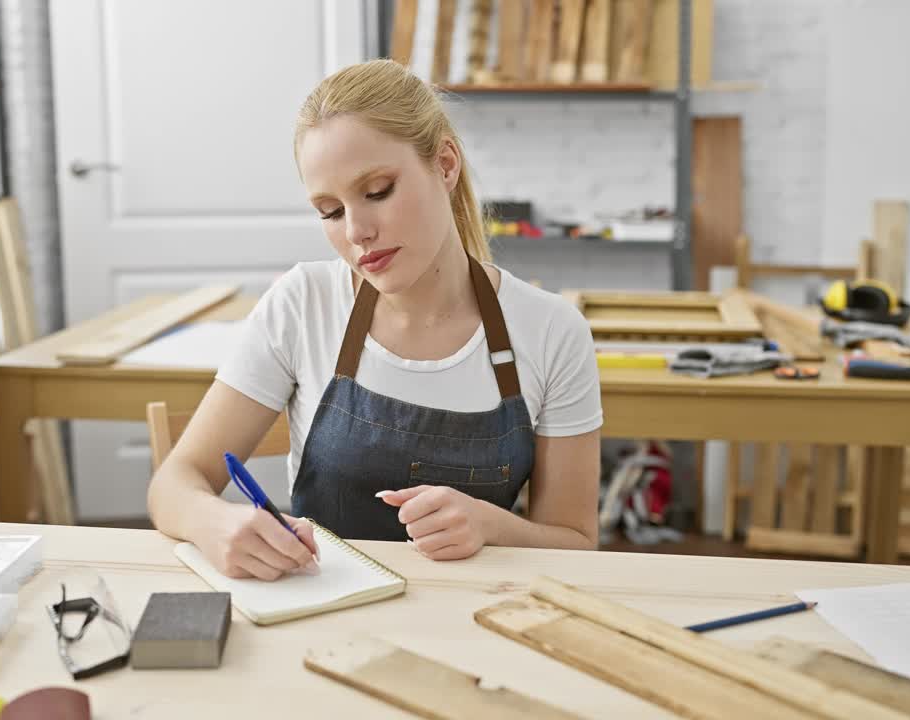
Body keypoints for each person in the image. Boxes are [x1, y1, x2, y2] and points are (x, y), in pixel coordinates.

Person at [148, 59, 602, 580]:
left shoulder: (552, 332)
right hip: (324, 619)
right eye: (330, 211)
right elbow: (174, 484)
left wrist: (491, 526)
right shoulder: (302, 303)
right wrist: (216, 522)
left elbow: (575, 543)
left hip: (480, 618)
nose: (358, 231)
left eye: (378, 191)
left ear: (446, 164)